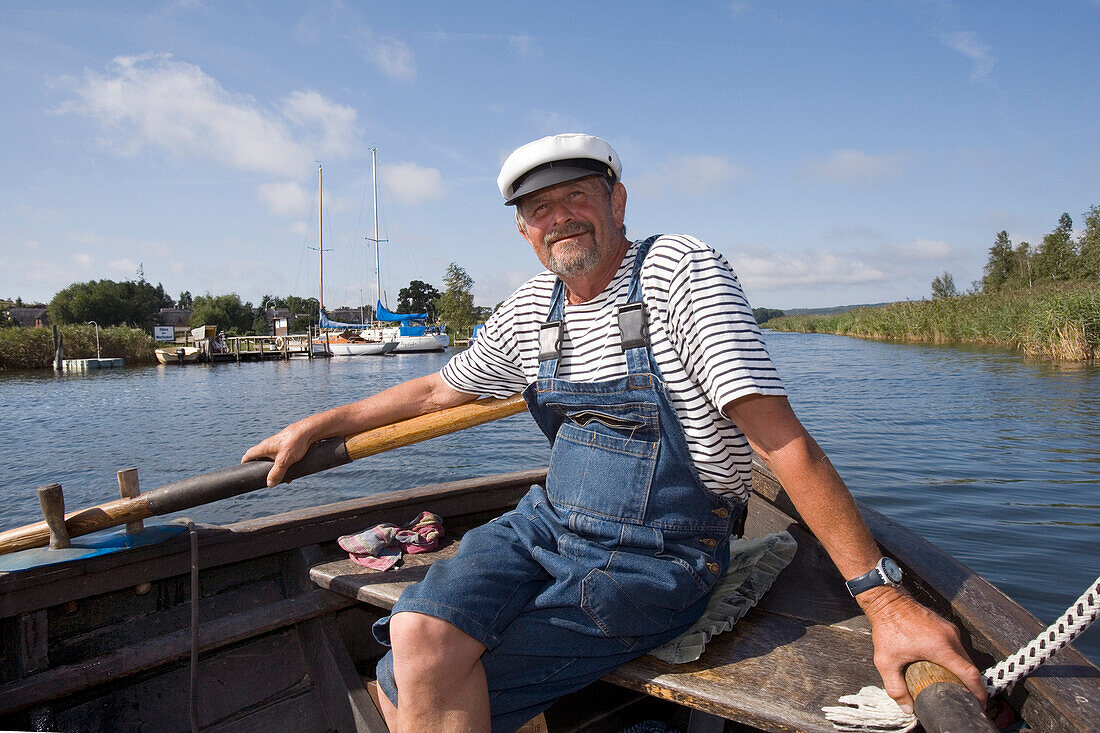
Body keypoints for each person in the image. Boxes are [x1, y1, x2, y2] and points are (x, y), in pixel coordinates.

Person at [243, 133, 987, 733]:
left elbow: (777, 441)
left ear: (617, 200)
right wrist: (318, 422)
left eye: (576, 196)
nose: (559, 216)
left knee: (412, 686)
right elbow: (438, 387)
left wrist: (883, 601)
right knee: (416, 637)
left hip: (662, 552)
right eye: (539, 207)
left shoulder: (679, 272)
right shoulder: (532, 307)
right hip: (549, 522)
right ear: (523, 229)